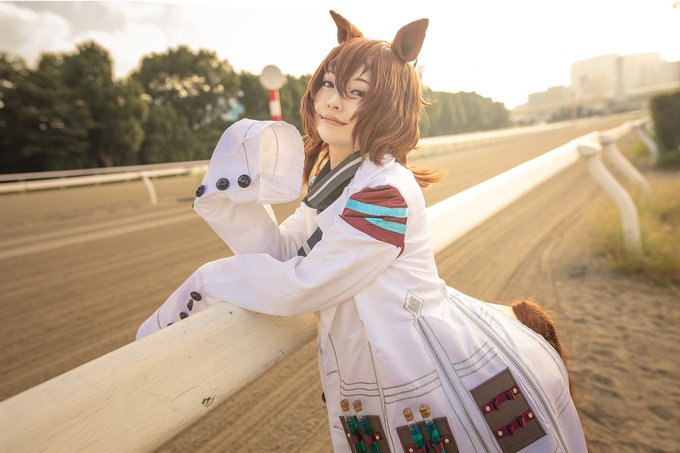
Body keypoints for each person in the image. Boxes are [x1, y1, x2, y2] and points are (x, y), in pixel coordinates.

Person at [137, 11, 587, 452]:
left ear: (389, 107)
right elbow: (283, 252)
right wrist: (232, 195)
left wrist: (207, 280)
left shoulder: (384, 191)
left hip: (425, 367)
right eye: (329, 84)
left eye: (357, 93)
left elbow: (307, 283)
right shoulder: (335, 180)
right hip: (371, 369)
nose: (333, 101)